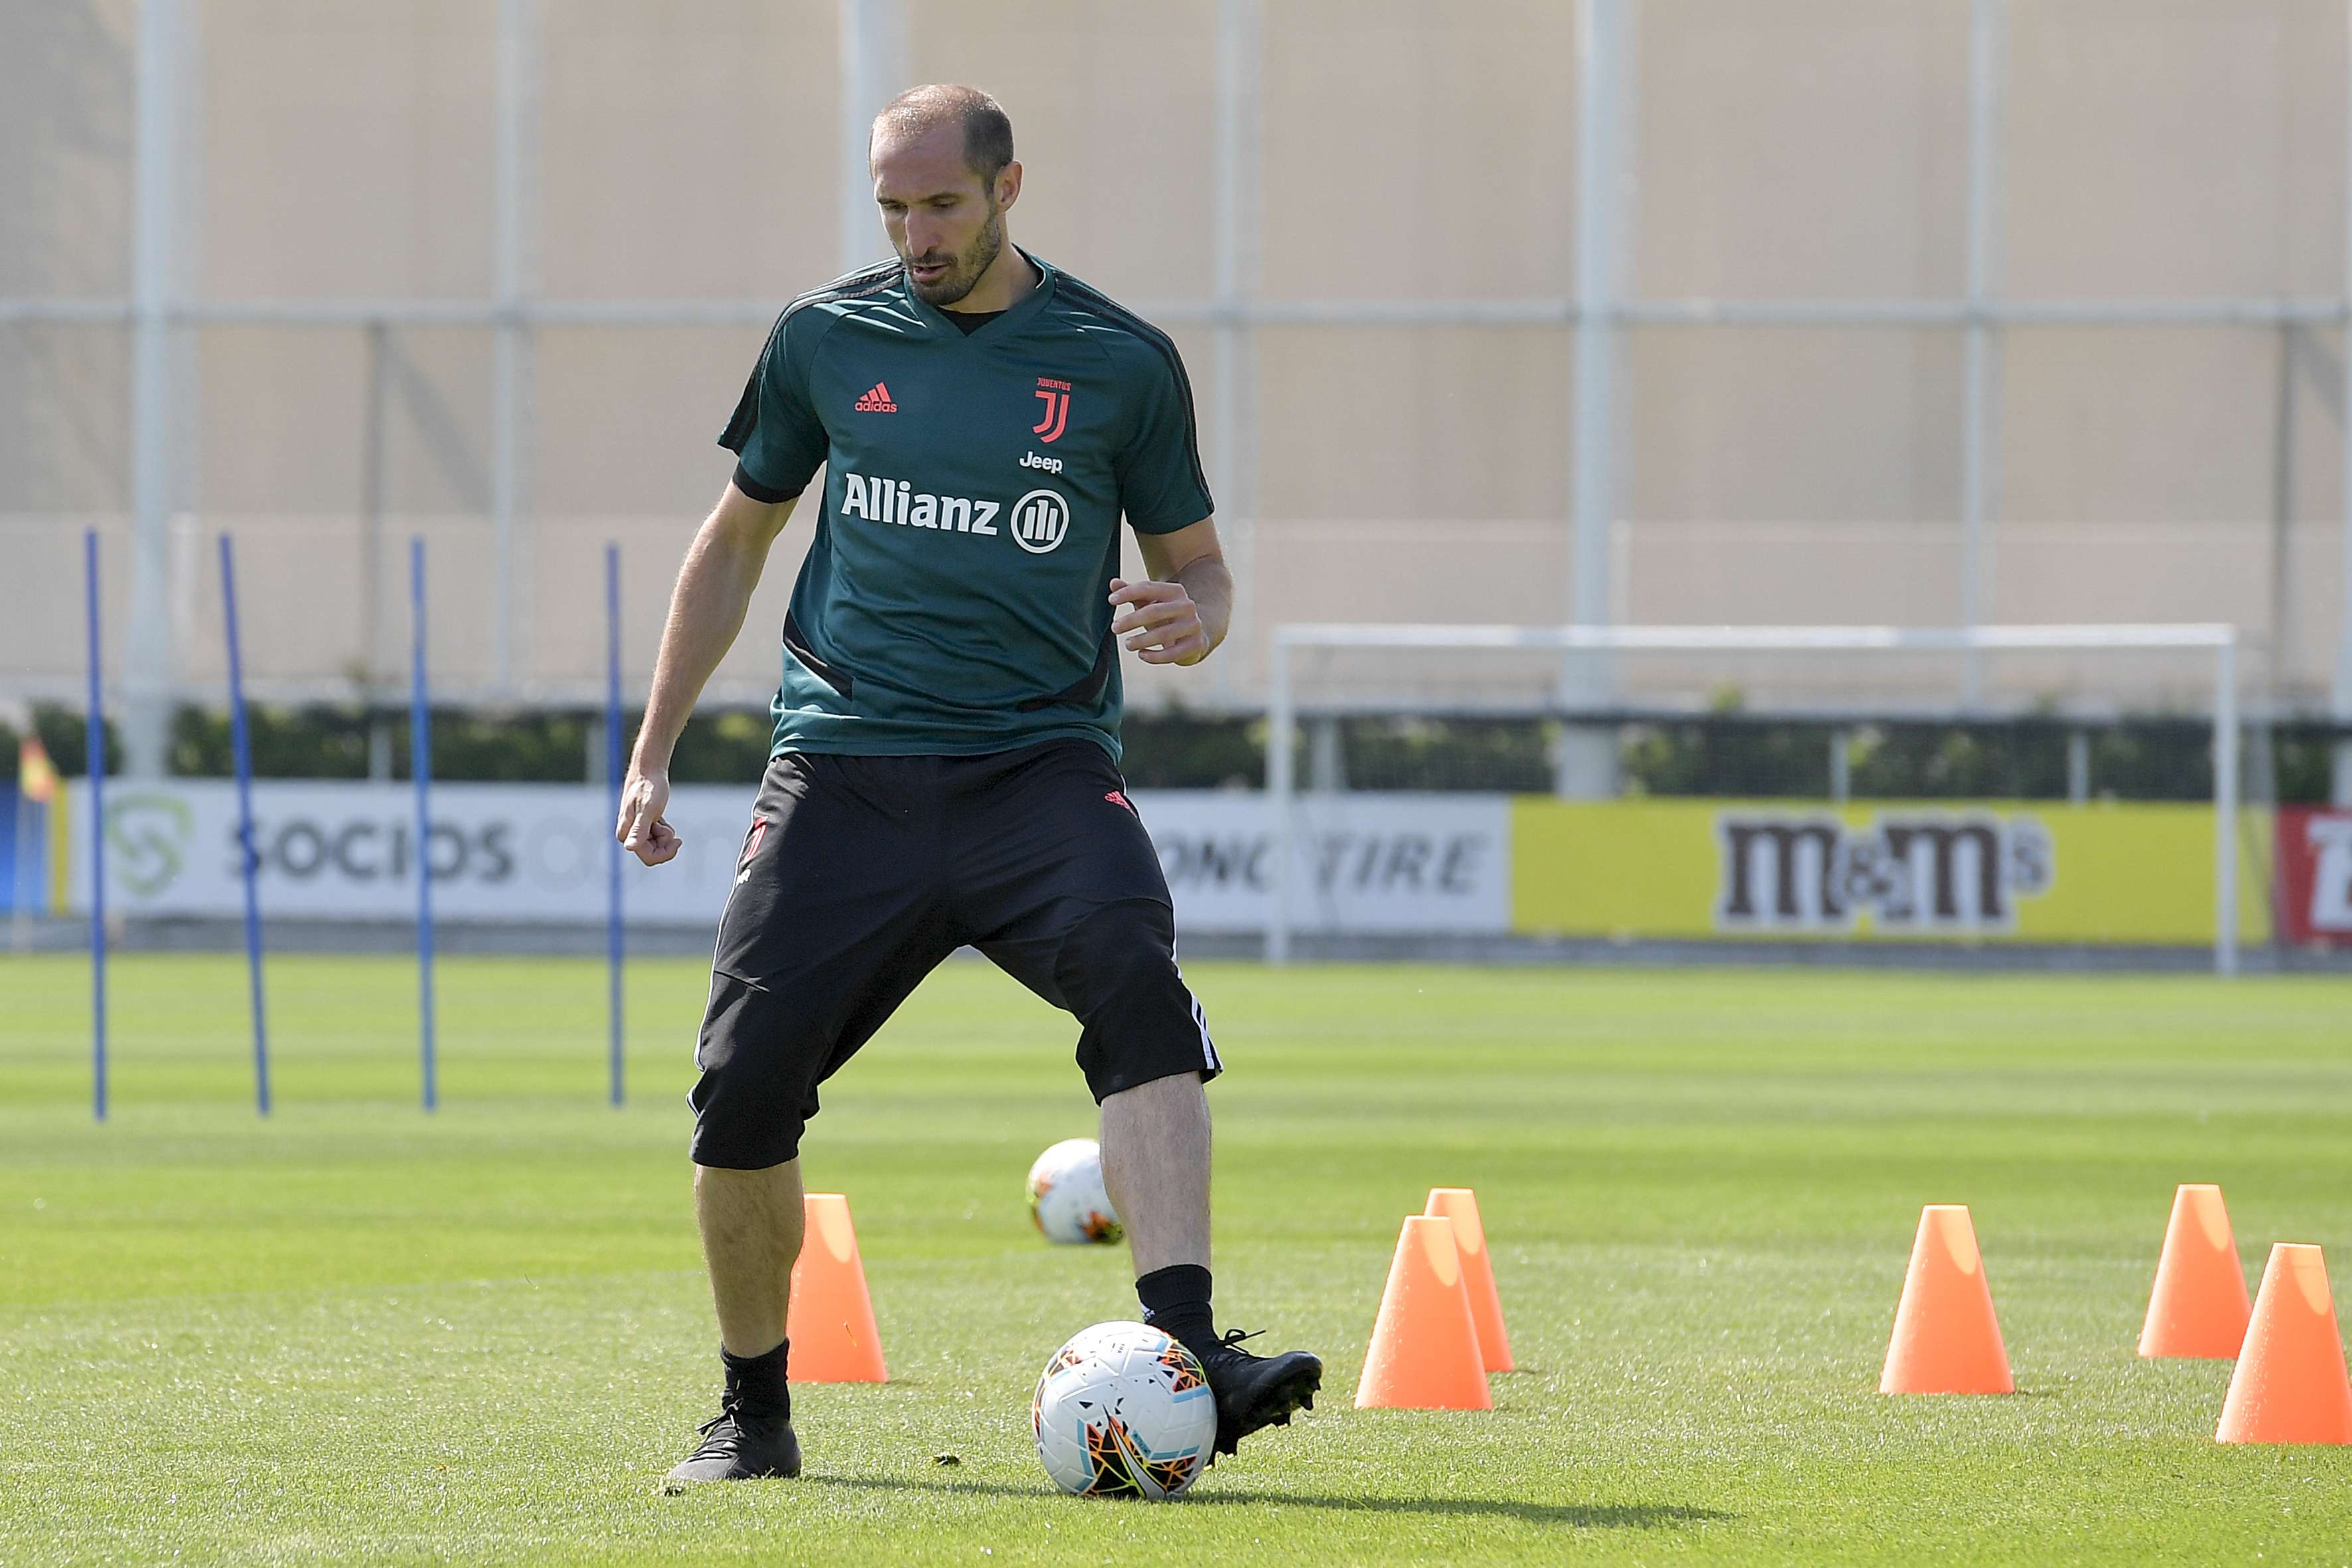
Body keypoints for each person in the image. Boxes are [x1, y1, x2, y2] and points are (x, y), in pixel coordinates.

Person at [615, 82, 1322, 1486]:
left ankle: (1188, 1354)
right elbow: (736, 543)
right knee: (739, 1084)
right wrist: (650, 749)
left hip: (1037, 769)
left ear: (1007, 189)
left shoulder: (1119, 361)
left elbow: (1203, 564)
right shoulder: (823, 338)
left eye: (938, 203)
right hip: (840, 768)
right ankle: (752, 1415)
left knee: (1134, 971)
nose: (913, 232)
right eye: (890, 206)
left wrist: (1200, 613)